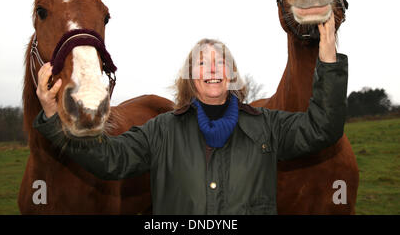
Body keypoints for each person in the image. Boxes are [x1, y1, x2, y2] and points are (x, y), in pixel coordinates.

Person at [33, 14, 348, 214]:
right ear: (190, 77)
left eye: (219, 61)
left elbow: (323, 128)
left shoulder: (267, 126)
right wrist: (52, 118)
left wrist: (329, 61)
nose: (211, 68)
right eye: (201, 62)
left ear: (232, 74)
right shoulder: (161, 131)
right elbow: (108, 158)